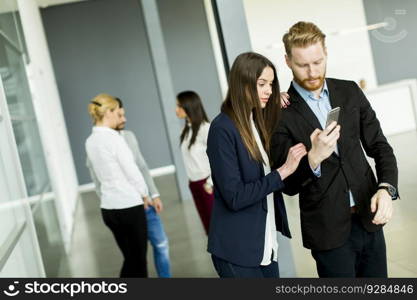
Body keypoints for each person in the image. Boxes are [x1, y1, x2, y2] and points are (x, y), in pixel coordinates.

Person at [271, 21, 399, 278]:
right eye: (302, 64)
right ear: (287, 61)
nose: (311, 71)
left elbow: (380, 147)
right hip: (327, 232)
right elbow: (288, 185)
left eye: (317, 62)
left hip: (369, 218)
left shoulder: (349, 91)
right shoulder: (277, 113)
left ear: (326, 52)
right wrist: (313, 158)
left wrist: (386, 189)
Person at [206, 52, 307, 278]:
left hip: (265, 242)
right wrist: (282, 172)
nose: (269, 91)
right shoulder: (222, 129)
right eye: (262, 84)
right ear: (242, 83)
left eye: (271, 85)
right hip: (237, 250)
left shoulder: (256, 121)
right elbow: (235, 196)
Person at [87, 97, 172, 278]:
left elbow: (98, 176)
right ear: (109, 113)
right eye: (117, 112)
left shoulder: (90, 141)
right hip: (129, 207)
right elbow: (133, 172)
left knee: (131, 259)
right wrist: (144, 195)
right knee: (138, 262)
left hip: (109, 209)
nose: (121, 117)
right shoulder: (115, 140)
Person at [176, 91, 214, 235]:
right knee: (208, 228)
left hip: (208, 185)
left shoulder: (206, 129)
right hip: (194, 184)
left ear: (189, 106)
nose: (176, 109)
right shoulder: (185, 131)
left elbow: (219, 159)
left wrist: (210, 183)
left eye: (179, 105)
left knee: (217, 228)